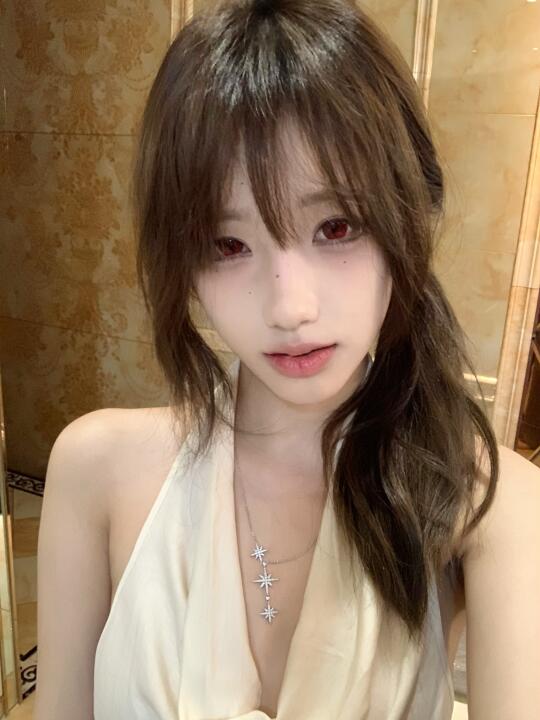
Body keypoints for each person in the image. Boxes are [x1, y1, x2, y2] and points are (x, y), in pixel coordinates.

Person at [35, 1, 540, 718]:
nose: (289, 307)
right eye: (228, 244)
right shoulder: (96, 470)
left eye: (336, 226)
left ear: (407, 218)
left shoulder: (491, 503)